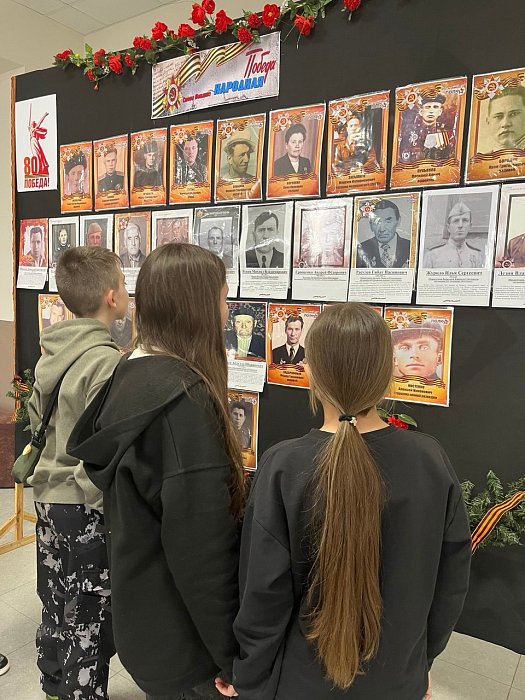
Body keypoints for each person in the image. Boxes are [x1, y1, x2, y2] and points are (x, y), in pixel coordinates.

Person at [218, 302, 471, 700]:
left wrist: (247, 674)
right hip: (397, 680)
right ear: (388, 373)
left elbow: (263, 594)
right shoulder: (430, 461)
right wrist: (419, 663)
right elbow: (449, 584)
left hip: (299, 685)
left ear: (312, 374)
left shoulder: (283, 467)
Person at [67, 243, 244, 700]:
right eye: (223, 298)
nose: (226, 311)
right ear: (198, 307)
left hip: (147, 623)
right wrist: (233, 657)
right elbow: (202, 551)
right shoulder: (183, 402)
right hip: (189, 647)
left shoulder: (129, 370)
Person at [28, 246, 128, 700]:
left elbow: (37, 420)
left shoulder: (53, 350)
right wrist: (98, 500)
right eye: (123, 283)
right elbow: (103, 444)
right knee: (88, 614)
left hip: (47, 497)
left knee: (54, 600)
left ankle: (53, 686)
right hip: (82, 506)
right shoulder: (105, 361)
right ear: (111, 297)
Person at [424, 201, 484, 268]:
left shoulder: (477, 256)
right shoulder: (432, 255)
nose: (460, 225)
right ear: (448, 227)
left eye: (465, 220)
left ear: (470, 226)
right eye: (456, 221)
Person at [399, 93, 455, 163]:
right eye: (428, 107)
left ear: (440, 112)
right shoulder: (410, 132)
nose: (431, 111)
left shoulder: (447, 133)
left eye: (435, 107)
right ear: (421, 111)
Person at [356, 199, 411, 268]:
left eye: (388, 221)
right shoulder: (361, 249)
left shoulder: (411, 247)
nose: (382, 230)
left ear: (398, 221)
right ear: (371, 225)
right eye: (376, 222)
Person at [486, 86, 525, 151]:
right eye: (498, 116)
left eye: (513, 114)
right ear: (488, 122)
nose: (505, 124)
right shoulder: (482, 158)